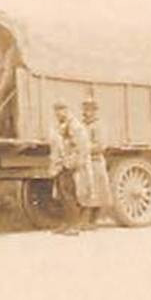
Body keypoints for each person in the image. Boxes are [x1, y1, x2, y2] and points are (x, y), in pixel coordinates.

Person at [48, 100, 92, 235]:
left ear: (66, 110)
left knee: (70, 195)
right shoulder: (62, 125)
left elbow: (81, 147)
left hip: (71, 165)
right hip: (62, 164)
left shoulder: (75, 126)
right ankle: (67, 223)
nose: (57, 113)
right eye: (56, 110)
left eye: (60, 110)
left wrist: (72, 163)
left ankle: (74, 225)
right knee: (62, 195)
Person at [79, 95, 113, 227]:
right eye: (85, 109)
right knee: (86, 191)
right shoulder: (82, 125)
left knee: (97, 191)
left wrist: (85, 148)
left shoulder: (98, 126)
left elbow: (101, 145)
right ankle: (87, 220)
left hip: (95, 161)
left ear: (94, 111)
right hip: (85, 161)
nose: (86, 112)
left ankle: (93, 220)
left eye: (89, 109)